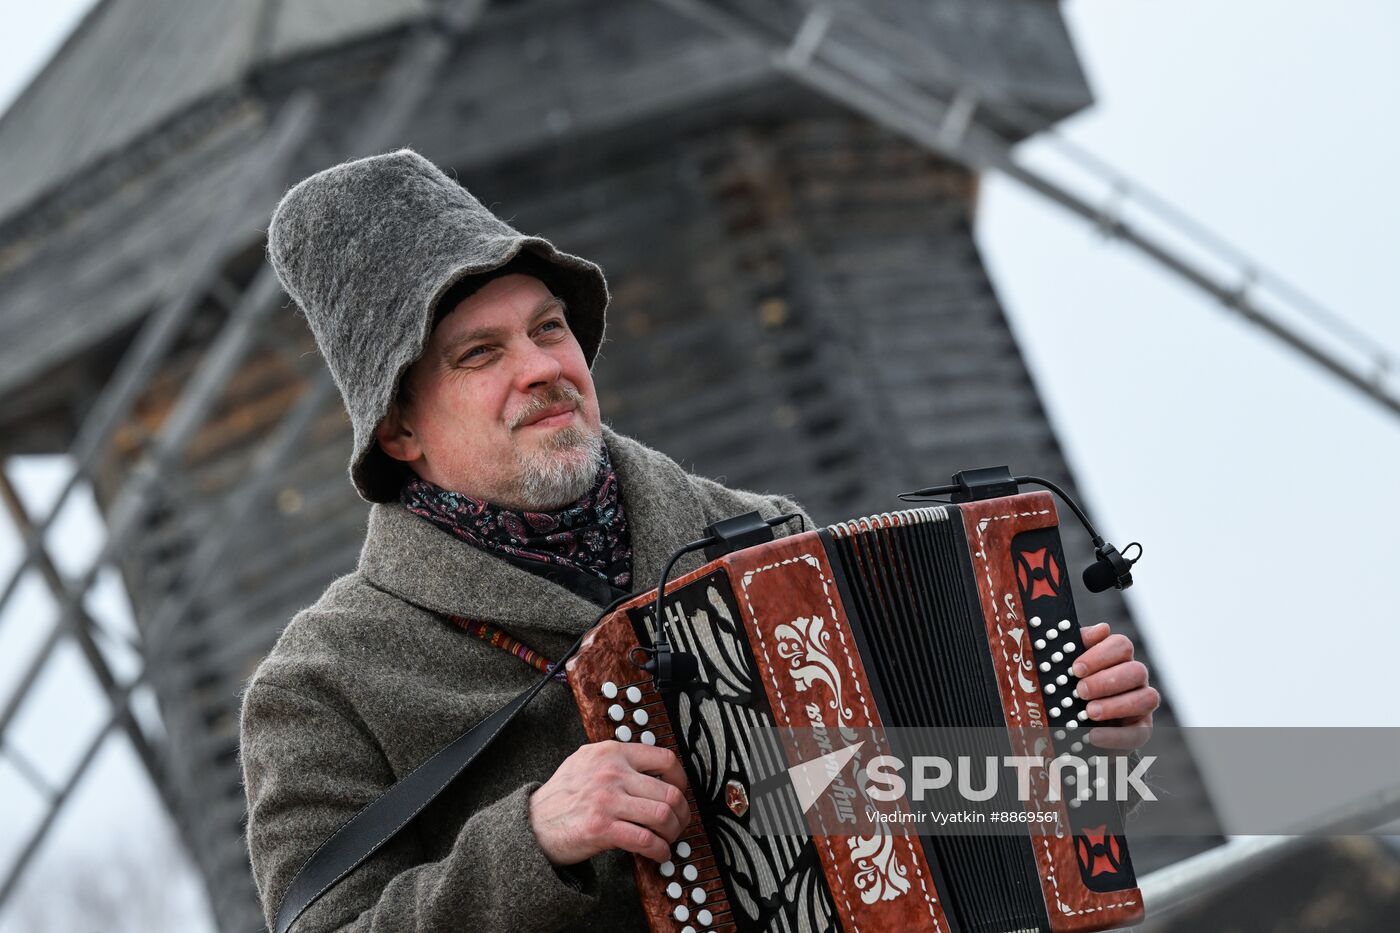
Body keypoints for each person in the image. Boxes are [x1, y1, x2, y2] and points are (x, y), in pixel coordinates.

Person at [239, 149, 1160, 933]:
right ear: (399, 428)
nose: (543, 370)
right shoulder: (320, 684)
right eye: (480, 355)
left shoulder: (773, 548)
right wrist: (531, 841)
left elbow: (907, 820)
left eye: (549, 329)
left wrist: (1061, 747)